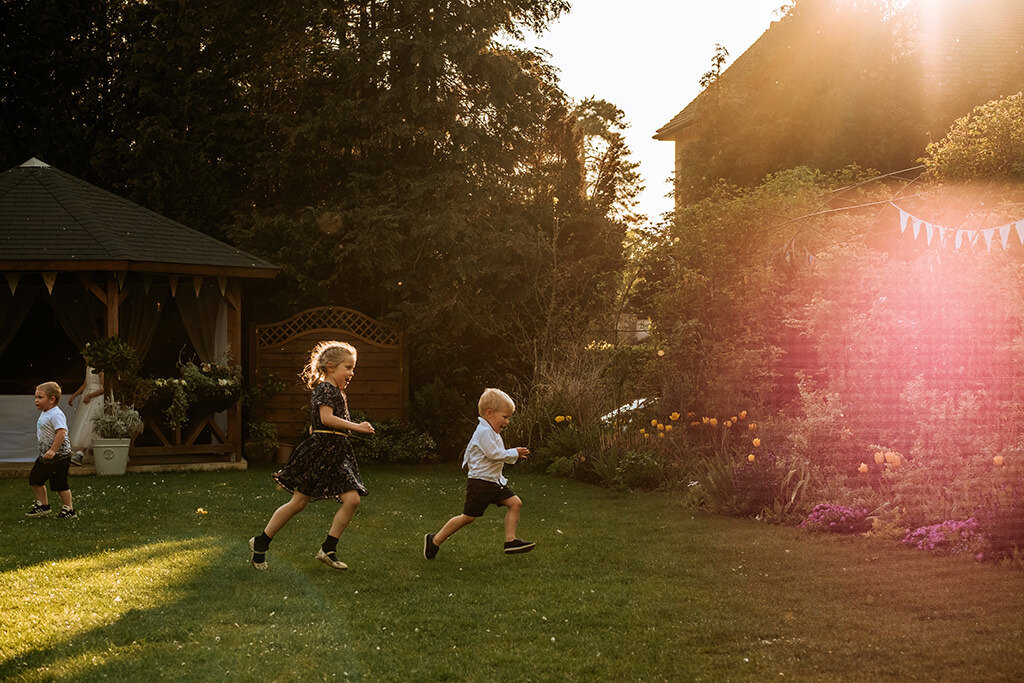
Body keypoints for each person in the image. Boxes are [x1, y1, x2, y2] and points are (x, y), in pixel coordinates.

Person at [249, 341, 375, 571]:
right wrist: (358, 427)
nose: (351, 373)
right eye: (347, 367)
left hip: (337, 453)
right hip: (320, 454)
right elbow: (326, 419)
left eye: (353, 368)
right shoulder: (325, 389)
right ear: (329, 367)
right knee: (298, 503)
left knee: (352, 499)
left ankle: (328, 549)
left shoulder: (337, 391)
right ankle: (261, 542)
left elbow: (320, 423)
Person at [424, 388, 534, 559]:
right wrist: (514, 453)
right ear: (489, 413)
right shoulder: (483, 432)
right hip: (480, 484)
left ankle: (510, 541)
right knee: (468, 517)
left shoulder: (492, 432)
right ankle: (434, 540)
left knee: (515, 503)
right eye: (505, 417)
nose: (508, 421)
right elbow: (494, 454)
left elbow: (497, 454)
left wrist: (514, 455)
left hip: (494, 482)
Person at [27, 381, 77, 518]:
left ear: (52, 399)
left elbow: (61, 433)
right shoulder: (46, 412)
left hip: (59, 456)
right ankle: (43, 506)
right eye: (35, 397)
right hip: (45, 456)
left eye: (40, 397)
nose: (36, 400)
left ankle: (69, 509)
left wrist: (53, 450)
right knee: (35, 479)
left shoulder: (56, 414)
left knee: (60, 484)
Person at [68, 366, 104, 466]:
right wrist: (75, 395)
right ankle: (86, 453)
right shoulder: (88, 368)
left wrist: (90, 395)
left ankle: (81, 452)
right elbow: (85, 384)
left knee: (91, 423)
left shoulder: (101, 370)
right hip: (87, 394)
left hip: (96, 398)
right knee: (84, 422)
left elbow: (104, 388)